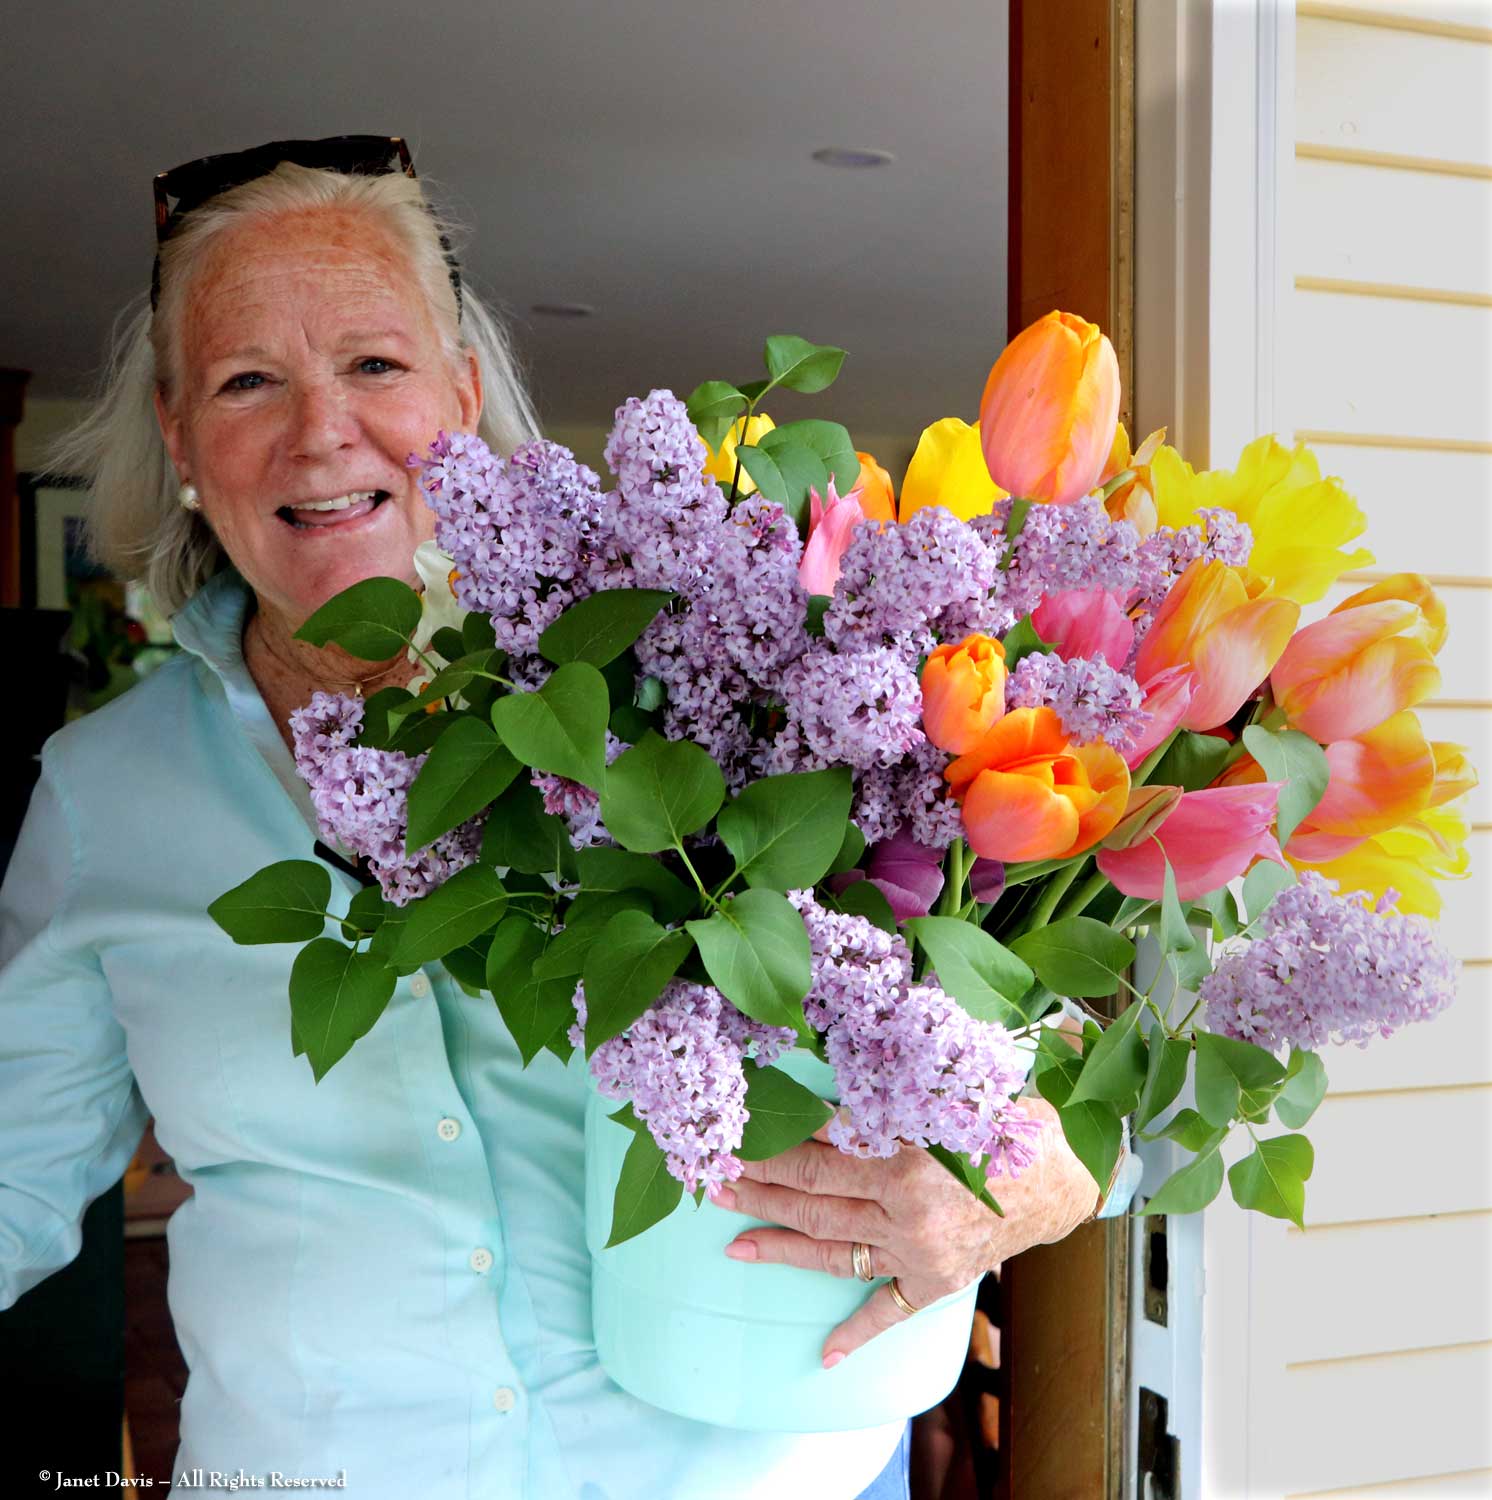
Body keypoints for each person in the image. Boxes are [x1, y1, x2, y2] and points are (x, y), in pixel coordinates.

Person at [0, 136, 1130, 1499]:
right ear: (181, 436)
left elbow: (1070, 1030)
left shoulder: (696, 669)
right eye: (249, 380)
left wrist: (1047, 1174)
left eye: (373, 364)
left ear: (462, 395)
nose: (320, 431)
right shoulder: (106, 792)